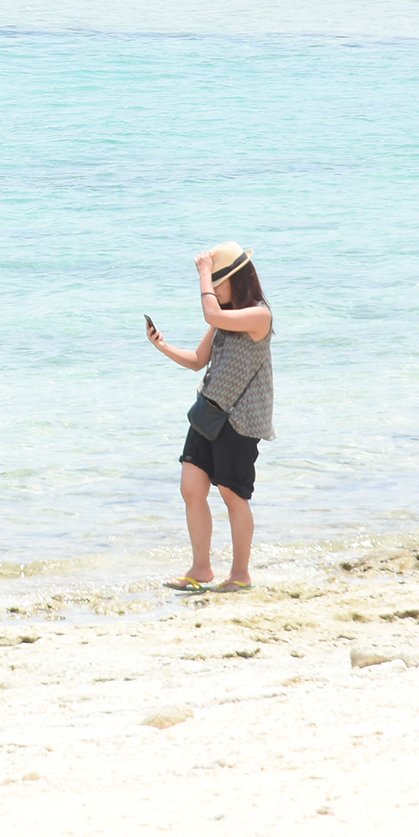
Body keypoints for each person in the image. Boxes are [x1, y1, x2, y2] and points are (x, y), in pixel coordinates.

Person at [144, 243, 273, 593]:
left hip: (240, 420)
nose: (214, 289)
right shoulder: (224, 316)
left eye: (219, 282)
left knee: (233, 495)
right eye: (212, 284)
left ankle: (241, 575)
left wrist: (202, 271)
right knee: (191, 488)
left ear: (238, 280)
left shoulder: (259, 315)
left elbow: (211, 315)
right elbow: (200, 359)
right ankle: (201, 568)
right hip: (208, 412)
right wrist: (163, 346)